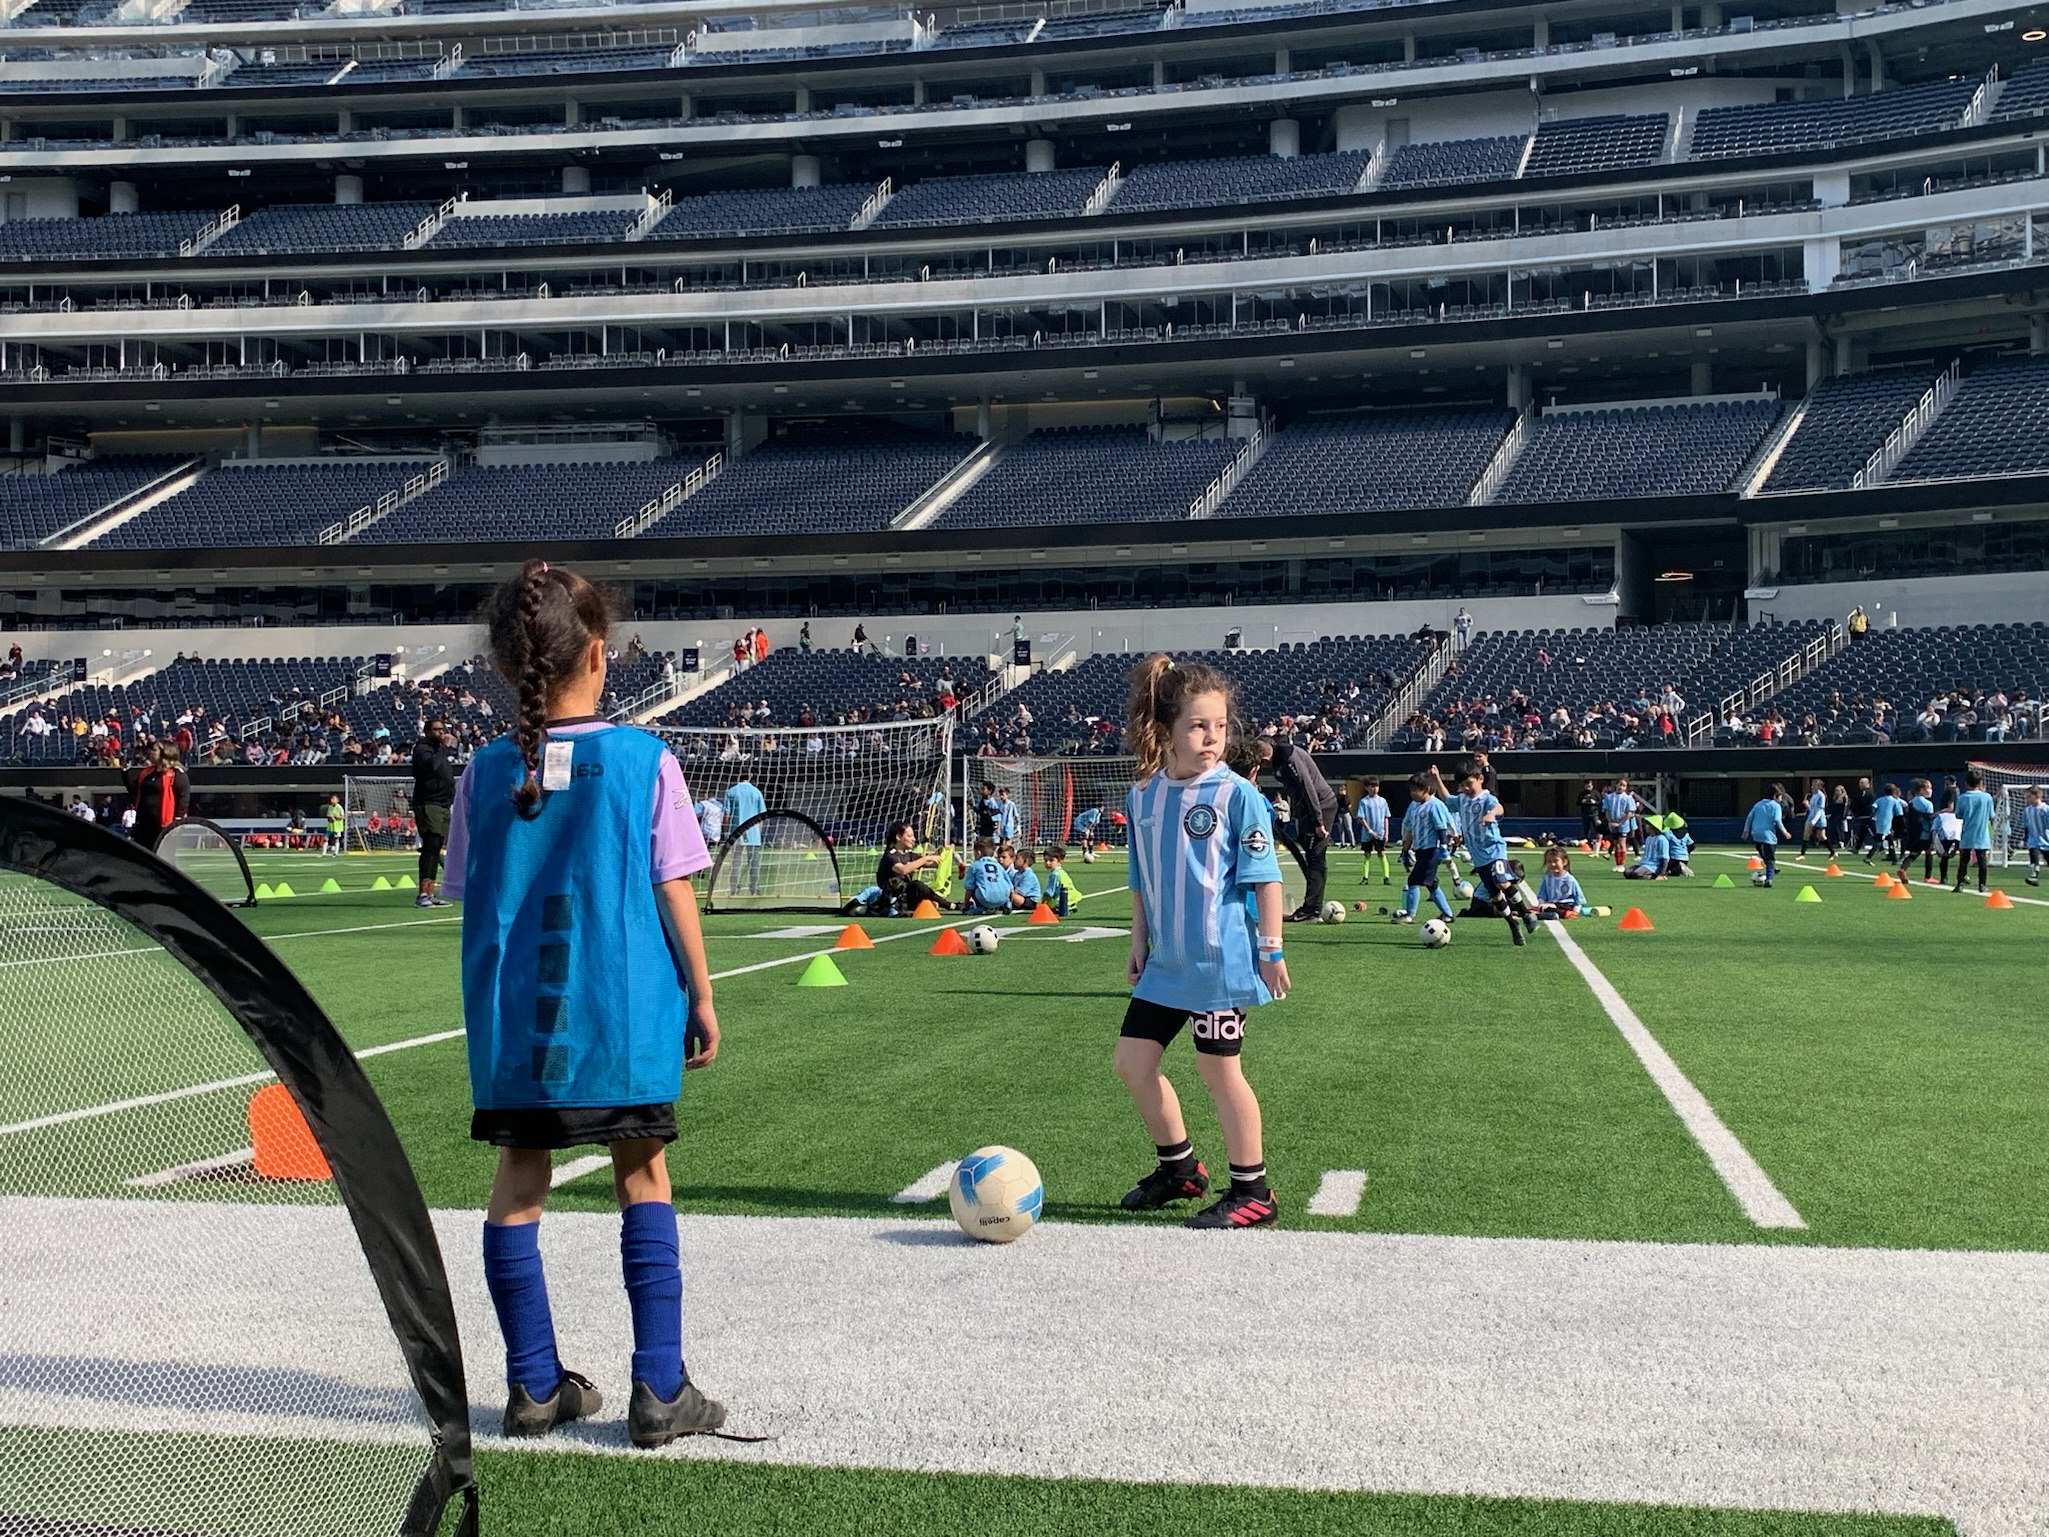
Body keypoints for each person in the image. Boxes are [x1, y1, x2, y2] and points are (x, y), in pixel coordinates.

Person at [444, 559, 726, 1449]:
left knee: (516, 1182)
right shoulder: (645, 760)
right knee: (642, 1174)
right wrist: (702, 995)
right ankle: (659, 1386)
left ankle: (532, 1384)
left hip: (519, 1026)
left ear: (503, 663)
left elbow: (468, 889)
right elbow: (673, 887)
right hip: (620, 1011)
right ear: (598, 653)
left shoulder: (483, 771)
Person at [1115, 654, 1287, 1230]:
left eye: (1219, 725)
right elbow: (1141, 879)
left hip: (1220, 966)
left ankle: (1254, 1192)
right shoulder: (1143, 796)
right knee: (1132, 1064)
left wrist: (1271, 950)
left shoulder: (1237, 795)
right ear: (1164, 730)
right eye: (1197, 726)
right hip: (1166, 965)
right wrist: (1138, 941)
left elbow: (1265, 878)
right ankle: (1181, 1169)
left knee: (1219, 1073)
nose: (1212, 738)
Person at [1435, 761, 1538, 945]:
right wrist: (1437, 778)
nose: (1466, 788)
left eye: (1469, 783)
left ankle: (1525, 914)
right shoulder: (1462, 800)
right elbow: (1447, 799)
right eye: (1462, 785)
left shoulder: (1486, 798)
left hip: (1494, 849)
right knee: (1495, 895)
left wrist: (1491, 814)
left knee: (1502, 881)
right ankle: (1513, 925)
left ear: (1480, 779)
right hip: (1478, 856)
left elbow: (1499, 808)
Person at [1254, 737, 1337, 922]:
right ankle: (1313, 907)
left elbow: (1308, 788)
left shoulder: (1289, 757)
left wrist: (1318, 822)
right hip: (1306, 811)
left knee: (1315, 857)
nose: (1263, 764)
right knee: (1311, 856)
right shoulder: (1279, 760)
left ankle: (1311, 909)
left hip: (1321, 806)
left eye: (1264, 759)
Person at [1394, 772, 1458, 926]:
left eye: (1416, 790)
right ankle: (1448, 914)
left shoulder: (1434, 805)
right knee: (1431, 884)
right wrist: (1405, 851)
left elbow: (1441, 828)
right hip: (1421, 850)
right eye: (1411, 790)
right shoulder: (1415, 807)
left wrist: (1443, 848)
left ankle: (1410, 914)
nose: (1412, 793)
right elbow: (1410, 830)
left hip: (1431, 850)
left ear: (1427, 789)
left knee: (1413, 880)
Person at [412, 718, 458, 910]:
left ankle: (430, 893)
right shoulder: (423, 748)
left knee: (436, 846)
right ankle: (423, 894)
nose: (440, 733)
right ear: (427, 731)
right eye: (436, 730)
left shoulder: (438, 750)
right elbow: (431, 766)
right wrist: (444, 748)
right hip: (429, 803)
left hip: (442, 804)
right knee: (430, 846)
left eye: (442, 729)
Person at [875, 821, 950, 915]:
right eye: (909, 836)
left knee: (917, 889)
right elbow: (903, 870)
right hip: (891, 896)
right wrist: (925, 858)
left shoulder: (909, 855)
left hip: (905, 896)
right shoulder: (890, 855)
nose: (913, 839)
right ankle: (948, 905)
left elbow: (932, 863)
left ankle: (926, 903)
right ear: (898, 837)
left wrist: (943, 851)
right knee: (917, 885)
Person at [127, 742, 188, 852]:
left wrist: (178, 820)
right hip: (144, 823)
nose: (152, 752)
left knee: (163, 855)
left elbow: (183, 798)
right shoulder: (147, 772)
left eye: (155, 750)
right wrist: (125, 774)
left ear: (165, 753)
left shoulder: (176, 774)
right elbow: (136, 792)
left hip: (164, 824)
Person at [1951, 770, 1995, 895]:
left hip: (1967, 832)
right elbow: (1991, 815)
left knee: (1964, 859)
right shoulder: (1987, 797)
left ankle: (1960, 884)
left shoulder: (1962, 798)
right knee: (1982, 859)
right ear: (1980, 783)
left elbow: (1958, 815)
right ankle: (1982, 884)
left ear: (1966, 783)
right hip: (1981, 833)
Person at [720, 775, 765, 896]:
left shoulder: (731, 791)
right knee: (754, 862)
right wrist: (759, 832)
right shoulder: (757, 792)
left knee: (735, 862)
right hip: (753, 832)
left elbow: (726, 815)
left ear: (738, 776)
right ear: (750, 776)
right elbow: (762, 816)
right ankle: (754, 890)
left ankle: (734, 890)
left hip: (737, 831)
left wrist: (725, 832)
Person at [1743, 785, 1791, 887]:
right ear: (1775, 796)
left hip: (1756, 833)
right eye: (1780, 797)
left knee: (1761, 850)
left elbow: (1749, 817)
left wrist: (1746, 830)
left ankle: (1772, 868)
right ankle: (1769, 878)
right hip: (1768, 835)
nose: (1781, 799)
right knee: (1770, 858)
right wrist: (1785, 832)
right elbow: (1777, 820)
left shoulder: (1758, 804)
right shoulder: (1776, 806)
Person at [1894, 779, 1937, 886]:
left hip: (1914, 833)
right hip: (1925, 833)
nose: (1931, 791)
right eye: (1929, 788)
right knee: (1929, 852)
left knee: (1913, 854)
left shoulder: (1911, 802)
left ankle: (1902, 868)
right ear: (1922, 790)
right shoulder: (1928, 804)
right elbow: (1930, 819)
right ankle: (1928, 877)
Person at [1355, 777, 1392, 886]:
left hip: (1380, 833)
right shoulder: (1364, 802)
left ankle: (1386, 877)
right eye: (1372, 786)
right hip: (1367, 835)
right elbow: (1361, 818)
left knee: (1381, 853)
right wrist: (1369, 830)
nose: (1374, 789)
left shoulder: (1382, 801)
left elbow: (1386, 817)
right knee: (1367, 854)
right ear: (1366, 788)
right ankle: (1365, 877)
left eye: (1376, 786)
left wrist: (1386, 833)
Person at [1601, 779, 1641, 872]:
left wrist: (1620, 823)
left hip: (1623, 824)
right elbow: (1607, 810)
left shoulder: (1628, 798)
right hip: (1613, 823)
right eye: (1620, 785)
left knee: (1622, 843)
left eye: (1624, 786)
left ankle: (1622, 864)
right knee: (1616, 844)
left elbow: (1630, 813)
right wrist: (1610, 822)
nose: (1621, 787)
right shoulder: (1609, 797)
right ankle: (1617, 864)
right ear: (1616, 785)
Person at [962, 838, 1012, 914]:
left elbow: (969, 888)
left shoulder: (975, 865)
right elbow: (1010, 887)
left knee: (974, 885)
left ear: (978, 853)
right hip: (1003, 898)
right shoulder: (999, 866)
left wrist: (965, 905)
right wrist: (1009, 899)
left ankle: (981, 907)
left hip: (985, 898)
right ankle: (1006, 904)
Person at [1535, 848, 1586, 918]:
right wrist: (1540, 905)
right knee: (1537, 909)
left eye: (1555, 861)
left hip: (1565, 905)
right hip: (1551, 905)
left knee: (1550, 908)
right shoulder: (1547, 878)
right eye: (1549, 861)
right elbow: (1542, 894)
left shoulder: (1570, 879)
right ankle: (1553, 914)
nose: (1552, 864)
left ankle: (1565, 913)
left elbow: (1579, 897)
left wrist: (1576, 911)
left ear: (1564, 862)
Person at [1039, 846, 1083, 917]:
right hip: (1072, 901)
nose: (1047, 863)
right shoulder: (1062, 872)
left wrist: (1041, 904)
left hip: (1060, 903)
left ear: (1060, 862)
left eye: (1051, 860)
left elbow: (1049, 892)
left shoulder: (1054, 874)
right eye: (1045, 860)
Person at [1870, 782, 1905, 865]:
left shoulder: (1879, 800)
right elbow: (1900, 814)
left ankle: (1894, 860)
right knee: (1879, 840)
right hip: (1887, 823)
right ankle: (1868, 857)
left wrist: (1873, 814)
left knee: (1890, 840)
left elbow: (1873, 807)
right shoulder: (1894, 801)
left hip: (1879, 822)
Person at [2020, 784, 2048, 887]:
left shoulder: (2046, 809)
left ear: (2037, 796)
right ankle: (2033, 877)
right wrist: (2025, 839)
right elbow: (2026, 826)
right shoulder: (2027, 810)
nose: (2027, 799)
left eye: (2029, 797)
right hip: (2033, 840)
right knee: (2033, 859)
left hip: (2046, 841)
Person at [1003, 844, 1042, 909]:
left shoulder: (1029, 875)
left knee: (1013, 897)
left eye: (1017, 858)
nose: (1014, 861)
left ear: (1025, 861)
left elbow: (1020, 892)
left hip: (1031, 900)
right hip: (1020, 897)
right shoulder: (1017, 874)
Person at [1800, 779, 1829, 858]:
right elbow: (1812, 809)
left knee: (1821, 837)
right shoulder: (1813, 795)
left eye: (1814, 785)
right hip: (1811, 817)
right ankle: (1802, 853)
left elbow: (1820, 809)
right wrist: (1807, 805)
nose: (1812, 787)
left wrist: (1814, 820)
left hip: (1819, 818)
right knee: (1806, 834)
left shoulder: (1821, 796)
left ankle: (1832, 851)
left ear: (1819, 786)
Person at [1578, 780, 1602, 847]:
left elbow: (1600, 802)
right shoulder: (1582, 794)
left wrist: (1594, 802)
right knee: (1586, 829)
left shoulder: (1595, 793)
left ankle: (1598, 843)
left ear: (1592, 786)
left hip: (1594, 813)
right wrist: (1583, 801)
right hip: (1585, 813)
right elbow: (1577, 803)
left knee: (1597, 828)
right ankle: (1587, 843)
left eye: (1589, 786)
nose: (1588, 787)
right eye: (1586, 786)